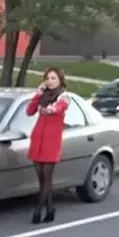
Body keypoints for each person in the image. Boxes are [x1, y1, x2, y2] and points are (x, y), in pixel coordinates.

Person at [25, 67, 70, 225]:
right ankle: (50, 209)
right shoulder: (42, 95)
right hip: (38, 138)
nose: (50, 81)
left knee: (47, 177)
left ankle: (38, 211)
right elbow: (29, 111)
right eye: (48, 78)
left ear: (60, 80)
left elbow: (59, 108)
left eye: (53, 78)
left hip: (51, 140)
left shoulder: (63, 96)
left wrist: (51, 108)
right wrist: (37, 95)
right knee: (41, 178)